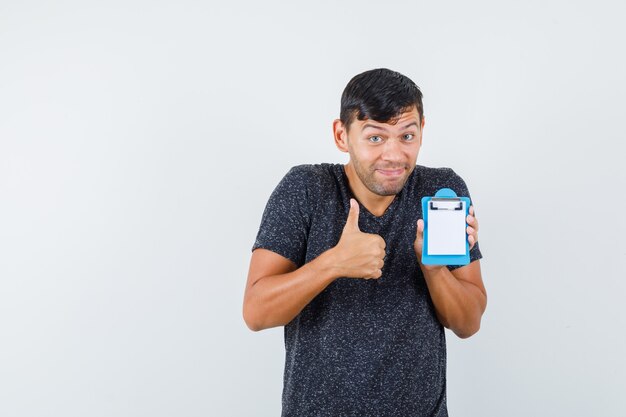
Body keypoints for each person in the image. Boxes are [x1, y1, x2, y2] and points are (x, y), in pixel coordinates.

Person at [243, 68, 487, 417]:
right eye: (375, 138)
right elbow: (255, 312)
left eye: (407, 136)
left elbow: (468, 323)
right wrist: (333, 264)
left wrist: (434, 270)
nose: (394, 155)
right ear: (342, 135)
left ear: (422, 131)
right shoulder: (305, 189)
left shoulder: (440, 191)